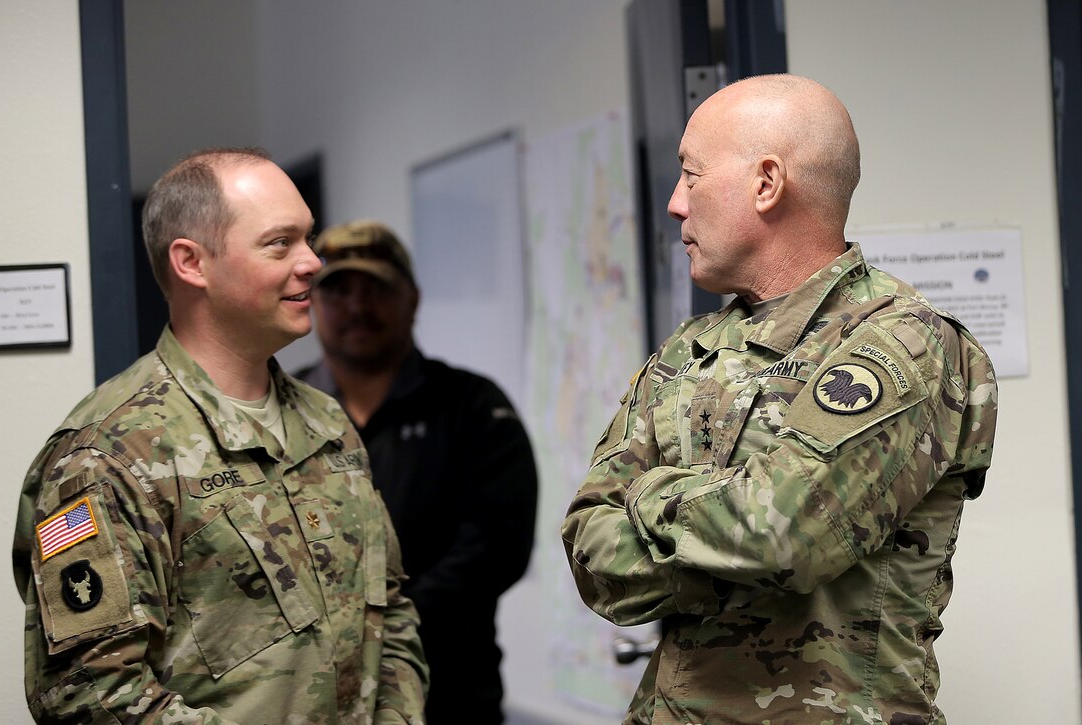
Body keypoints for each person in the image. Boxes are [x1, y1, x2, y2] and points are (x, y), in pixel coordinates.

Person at [561, 74, 998, 724]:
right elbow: (587, 542)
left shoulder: (904, 343)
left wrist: (649, 496)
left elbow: (782, 534)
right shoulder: (690, 349)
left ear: (766, 183)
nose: (676, 204)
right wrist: (731, 534)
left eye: (692, 174)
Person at [12, 148, 428, 723]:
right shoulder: (109, 456)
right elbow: (90, 695)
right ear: (192, 263)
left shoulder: (327, 424)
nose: (312, 263)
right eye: (280, 243)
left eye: (308, 239)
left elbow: (390, 617)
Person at [296, 220, 538, 724]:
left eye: (377, 289)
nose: (358, 307)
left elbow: (497, 546)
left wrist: (383, 627)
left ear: (413, 299)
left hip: (448, 690)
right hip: (306, 696)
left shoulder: (472, 407)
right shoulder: (280, 412)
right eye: (339, 290)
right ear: (314, 303)